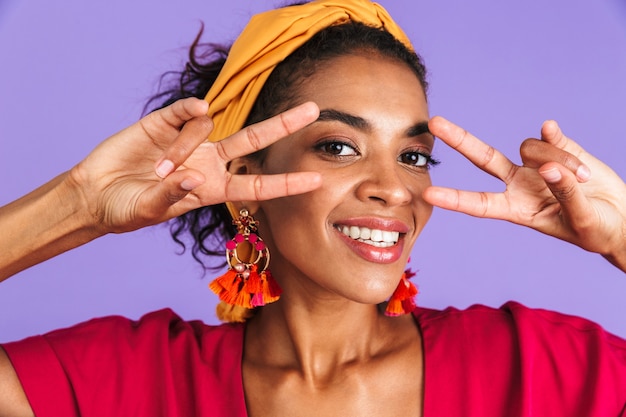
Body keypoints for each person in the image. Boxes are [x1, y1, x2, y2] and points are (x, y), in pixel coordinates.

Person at [1, 0, 625, 415]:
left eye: (413, 156)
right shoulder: (129, 382)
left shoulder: (540, 368)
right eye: (338, 146)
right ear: (245, 177)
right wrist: (79, 204)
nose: (395, 187)